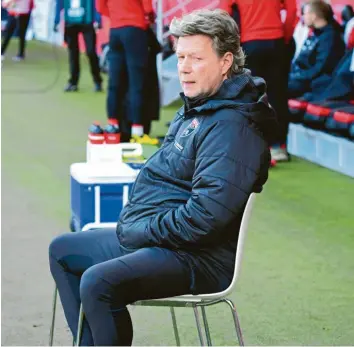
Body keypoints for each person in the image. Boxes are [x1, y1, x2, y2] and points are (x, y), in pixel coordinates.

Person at [49, 9, 277, 346]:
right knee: (63, 251)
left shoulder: (233, 127)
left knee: (99, 282)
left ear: (226, 61)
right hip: (167, 241)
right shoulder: (203, 105)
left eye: (195, 58)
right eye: (180, 56)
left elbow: (204, 218)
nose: (183, 67)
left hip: (199, 257)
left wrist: (143, 230)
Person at [230, 0, 297, 162]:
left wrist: (234, 42)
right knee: (277, 94)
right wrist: (285, 36)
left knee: (250, 95)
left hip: (249, 43)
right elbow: (293, 10)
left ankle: (252, 146)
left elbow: (225, 14)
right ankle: (277, 146)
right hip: (276, 41)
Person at [97, 0, 158, 143]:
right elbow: (148, 9)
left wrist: (116, 15)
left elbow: (100, 8)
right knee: (137, 83)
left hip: (115, 31)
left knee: (114, 82)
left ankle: (113, 128)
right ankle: (137, 132)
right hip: (135, 30)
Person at [288, 0, 345, 100]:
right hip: (300, 79)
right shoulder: (316, 34)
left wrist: (295, 76)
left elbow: (320, 69)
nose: (302, 17)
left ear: (313, 16)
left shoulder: (329, 37)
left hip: (311, 84)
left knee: (272, 89)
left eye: (304, 14)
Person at [54, 0, 103, 92]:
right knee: (73, 53)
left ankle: (97, 80)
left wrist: (98, 18)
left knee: (91, 52)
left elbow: (96, 2)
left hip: (87, 20)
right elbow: (59, 2)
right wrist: (56, 20)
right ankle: (73, 82)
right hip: (70, 21)